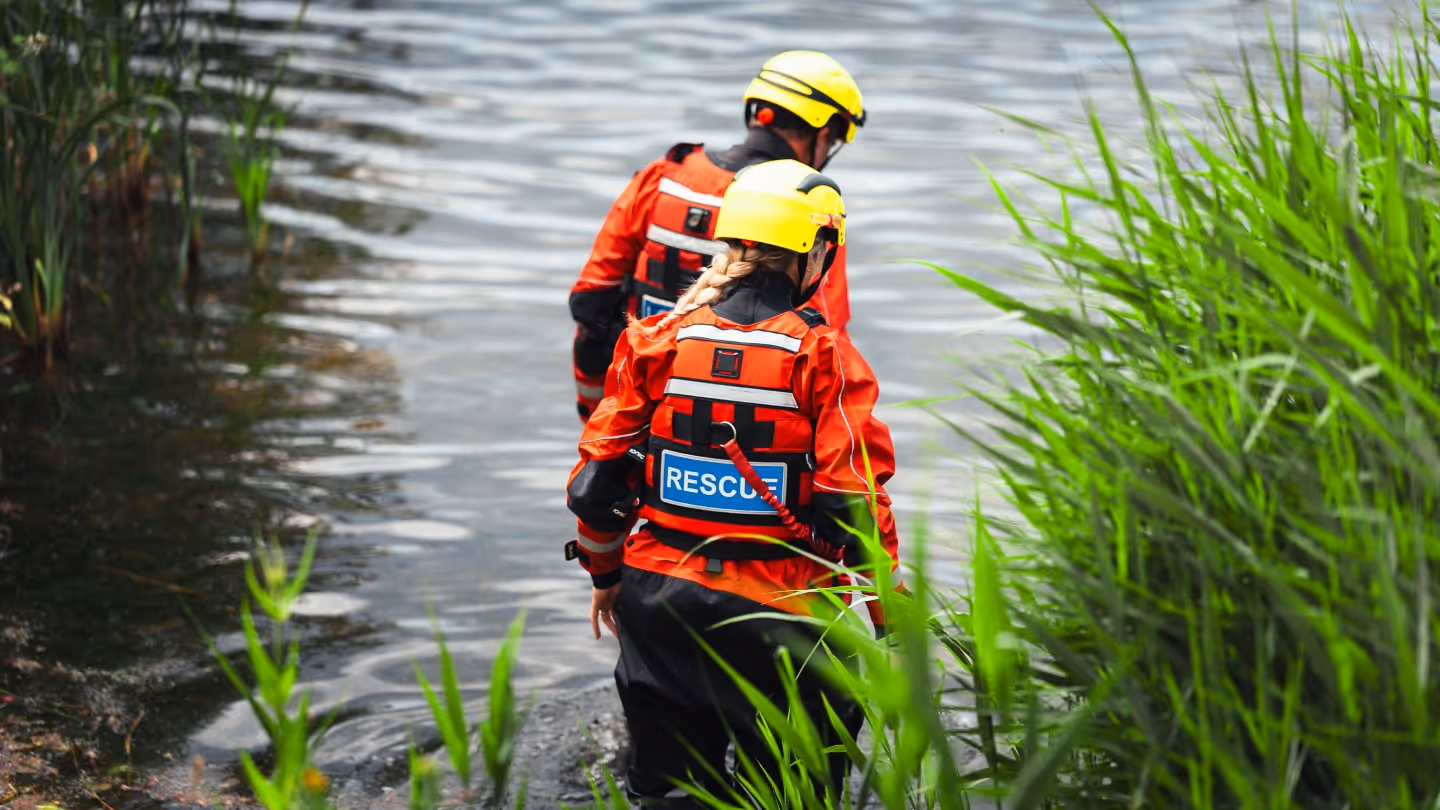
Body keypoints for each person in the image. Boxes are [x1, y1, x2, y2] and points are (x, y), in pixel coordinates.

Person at [564, 159, 900, 807]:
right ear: (817, 251)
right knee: (791, 796)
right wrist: (890, 623)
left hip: (658, 603)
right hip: (783, 616)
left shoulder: (655, 338)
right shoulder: (825, 357)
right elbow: (856, 506)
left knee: (667, 794)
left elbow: (597, 482)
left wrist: (605, 576)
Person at [568, 50, 867, 422]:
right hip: (739, 431)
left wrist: (599, 415)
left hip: (634, 406)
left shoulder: (664, 176)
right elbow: (829, 344)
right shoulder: (808, 212)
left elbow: (592, 301)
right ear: (824, 132)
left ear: (757, 112)